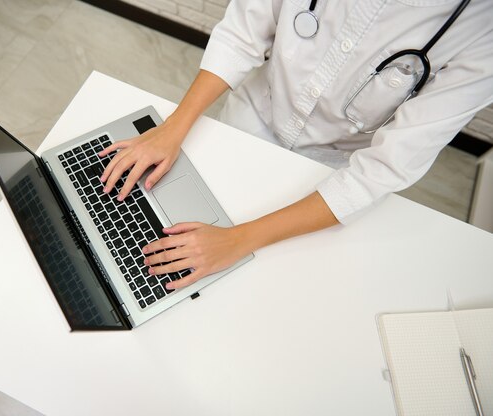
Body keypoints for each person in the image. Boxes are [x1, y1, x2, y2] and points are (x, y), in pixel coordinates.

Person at [98, 0, 493, 291]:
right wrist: (174, 127)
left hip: (332, 173)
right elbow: (242, 34)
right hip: (251, 117)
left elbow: (383, 169)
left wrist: (239, 240)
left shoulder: (482, 34)